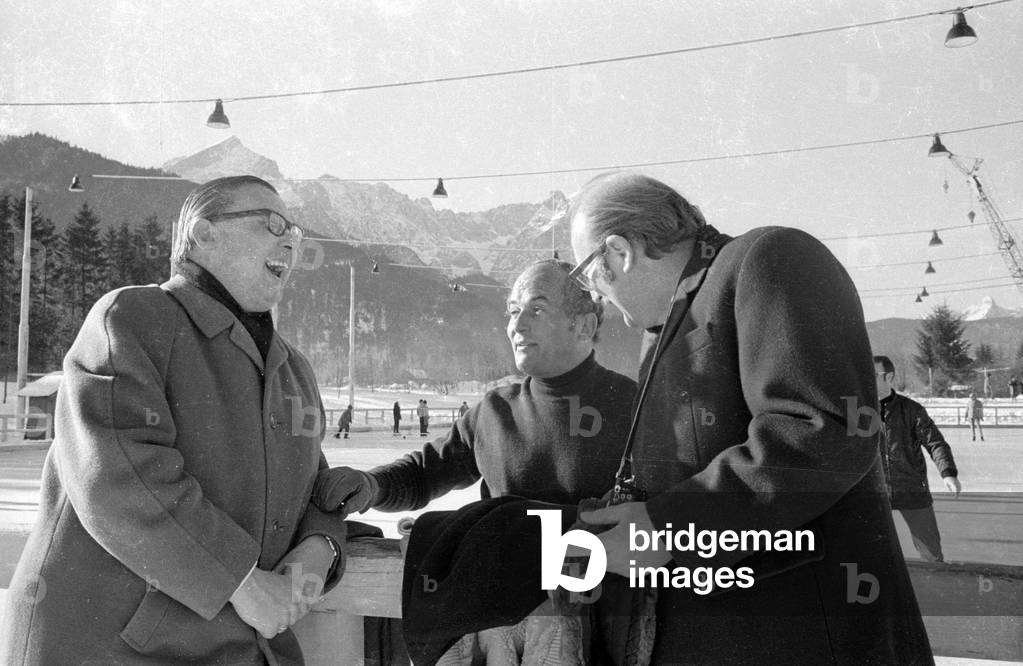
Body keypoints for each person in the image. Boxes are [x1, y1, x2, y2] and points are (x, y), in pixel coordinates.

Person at [565, 172, 932, 664]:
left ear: (619, 252)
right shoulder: (667, 324)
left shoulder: (771, 258)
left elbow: (821, 428)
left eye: (587, 274)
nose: (594, 295)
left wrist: (669, 528)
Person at [1, 176, 348, 664]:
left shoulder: (294, 370)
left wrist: (321, 545)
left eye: (295, 229)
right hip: (106, 646)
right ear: (204, 234)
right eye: (272, 224)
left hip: (235, 649)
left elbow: (313, 485)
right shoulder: (133, 318)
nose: (290, 239)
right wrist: (244, 584)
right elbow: (119, 474)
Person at [312, 260, 637, 661]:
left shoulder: (635, 408)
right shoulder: (495, 410)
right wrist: (372, 485)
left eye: (536, 309)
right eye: (513, 311)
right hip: (494, 627)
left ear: (585, 326)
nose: (517, 326)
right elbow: (424, 472)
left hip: (589, 630)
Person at [875, 355, 962, 562]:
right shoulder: (856, 411)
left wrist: (948, 473)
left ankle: (936, 587)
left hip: (912, 488)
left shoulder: (911, 410)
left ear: (890, 377)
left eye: (874, 374)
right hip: (873, 492)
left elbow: (935, 443)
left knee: (931, 554)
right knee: (865, 554)